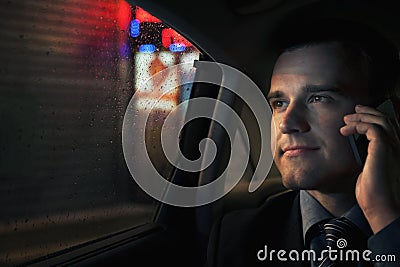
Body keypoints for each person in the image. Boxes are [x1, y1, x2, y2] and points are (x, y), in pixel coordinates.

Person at [206, 13, 400, 267]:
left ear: (384, 113)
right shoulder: (236, 237)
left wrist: (384, 219)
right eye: (279, 103)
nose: (287, 124)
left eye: (318, 98)